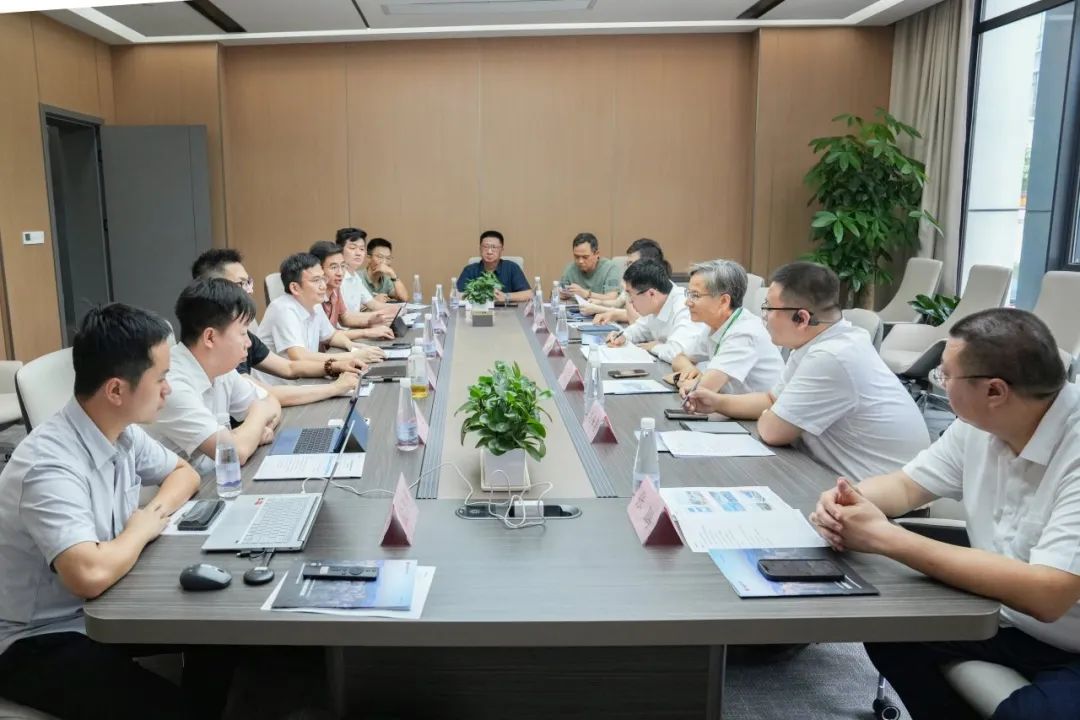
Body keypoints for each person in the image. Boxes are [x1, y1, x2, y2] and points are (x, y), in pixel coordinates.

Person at [810, 308, 1080, 720]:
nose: (939, 382)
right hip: (1004, 619)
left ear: (994, 391)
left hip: (1070, 642)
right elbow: (906, 487)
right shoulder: (983, 423)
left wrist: (887, 538)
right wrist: (847, 498)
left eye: (945, 376)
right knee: (886, 628)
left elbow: (1049, 594)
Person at [0, 304, 210, 719]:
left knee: (222, 638)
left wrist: (151, 516)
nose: (168, 389)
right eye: (161, 378)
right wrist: (141, 530)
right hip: (36, 638)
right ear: (116, 390)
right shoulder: (49, 465)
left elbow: (184, 473)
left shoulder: (120, 431)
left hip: (107, 604)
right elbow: (88, 575)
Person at [685, 261, 929, 480]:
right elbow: (771, 400)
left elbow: (772, 431)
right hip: (835, 476)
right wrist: (717, 402)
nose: (764, 317)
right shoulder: (816, 342)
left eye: (768, 309)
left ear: (801, 318)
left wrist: (774, 413)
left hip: (876, 496)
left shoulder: (832, 355)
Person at [191, 249, 365, 407]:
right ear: (215, 288)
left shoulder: (242, 335)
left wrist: (336, 366)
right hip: (273, 400)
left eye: (249, 282)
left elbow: (289, 368)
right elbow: (266, 395)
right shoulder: (219, 342)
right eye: (241, 284)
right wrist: (336, 387)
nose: (250, 291)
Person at [147, 279, 282, 472]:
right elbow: (236, 453)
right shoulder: (171, 386)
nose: (249, 343)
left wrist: (251, 432)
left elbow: (272, 401)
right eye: (243, 333)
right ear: (210, 337)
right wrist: (258, 415)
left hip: (216, 480)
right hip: (189, 489)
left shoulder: (221, 368)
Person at [256, 253, 385, 387]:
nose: (323, 285)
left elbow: (332, 336)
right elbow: (299, 357)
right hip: (280, 388)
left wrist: (353, 347)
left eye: (323, 278)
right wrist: (353, 356)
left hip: (305, 379)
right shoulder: (283, 309)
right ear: (295, 288)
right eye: (316, 280)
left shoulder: (314, 303)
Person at [671, 259, 784, 395]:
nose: (687, 302)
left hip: (758, 408)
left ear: (724, 301)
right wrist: (689, 371)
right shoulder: (716, 323)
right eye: (688, 294)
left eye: (695, 295)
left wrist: (684, 380)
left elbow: (701, 390)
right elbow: (679, 358)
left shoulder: (744, 332)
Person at [604, 258, 707, 364]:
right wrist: (623, 336)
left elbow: (679, 354)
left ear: (651, 294)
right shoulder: (657, 304)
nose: (630, 301)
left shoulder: (684, 306)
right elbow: (640, 329)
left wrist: (655, 347)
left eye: (630, 294)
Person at [308, 241, 395, 341]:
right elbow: (328, 336)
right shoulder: (313, 299)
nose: (340, 273)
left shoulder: (335, 289)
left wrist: (372, 321)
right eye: (334, 267)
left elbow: (345, 317)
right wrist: (368, 332)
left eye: (343, 266)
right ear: (318, 269)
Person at [588, 238, 669, 323]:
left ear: (647, 263)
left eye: (631, 264)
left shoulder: (655, 290)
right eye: (627, 264)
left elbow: (636, 319)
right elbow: (618, 302)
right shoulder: (637, 282)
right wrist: (600, 302)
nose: (628, 269)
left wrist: (598, 309)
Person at [455, 230, 532, 303]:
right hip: (478, 311)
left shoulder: (512, 267)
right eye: (486, 247)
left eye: (494, 247)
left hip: (507, 311)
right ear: (480, 248)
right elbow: (457, 295)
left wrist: (506, 296)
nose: (489, 252)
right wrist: (481, 296)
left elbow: (528, 294)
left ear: (502, 249)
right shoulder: (470, 270)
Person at [335, 227, 395, 315]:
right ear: (339, 250)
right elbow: (346, 318)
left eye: (362, 249)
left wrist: (399, 309)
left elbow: (373, 304)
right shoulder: (337, 278)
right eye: (352, 248)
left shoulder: (356, 278)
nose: (358, 253)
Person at [558, 232, 623, 302]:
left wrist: (586, 294)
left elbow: (612, 298)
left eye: (585, 257)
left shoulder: (610, 268)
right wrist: (561, 294)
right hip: (576, 308)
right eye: (576, 257)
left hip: (601, 308)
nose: (580, 261)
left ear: (597, 254)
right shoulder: (570, 268)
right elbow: (557, 293)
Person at [362, 237, 409, 302]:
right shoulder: (357, 278)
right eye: (380, 257)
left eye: (388, 258)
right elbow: (350, 306)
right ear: (369, 258)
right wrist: (373, 301)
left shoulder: (386, 279)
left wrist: (393, 274)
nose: (384, 262)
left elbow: (404, 298)